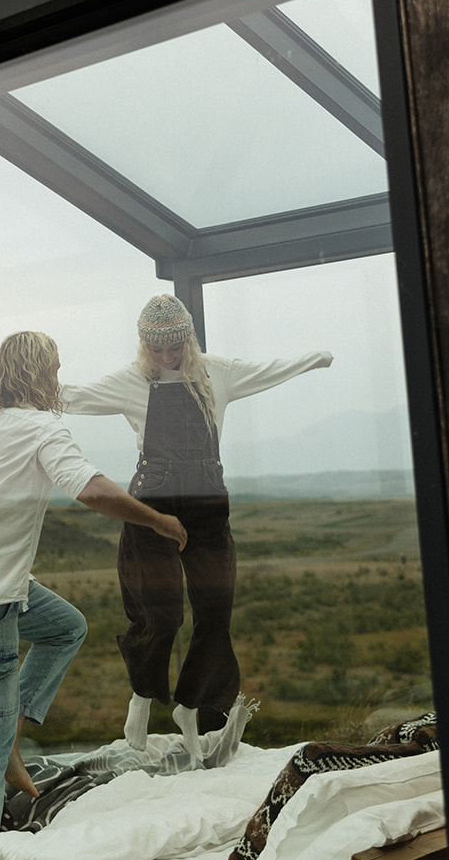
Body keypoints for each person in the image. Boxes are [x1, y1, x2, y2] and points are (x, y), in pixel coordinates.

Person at [0, 329, 187, 831]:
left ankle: (11, 732)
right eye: (54, 369)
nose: (57, 377)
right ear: (42, 373)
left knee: (66, 626)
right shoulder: (44, 430)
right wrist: (157, 520)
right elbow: (90, 490)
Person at [61, 294, 333, 751]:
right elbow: (72, 397)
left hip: (208, 502)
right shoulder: (130, 381)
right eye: (157, 349)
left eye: (174, 347)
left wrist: (312, 360)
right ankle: (144, 695)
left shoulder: (216, 372)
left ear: (187, 340)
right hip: (152, 502)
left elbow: (269, 370)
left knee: (216, 609)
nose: (167, 357)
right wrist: (12, 395)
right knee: (160, 611)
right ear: (145, 346)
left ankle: (192, 703)